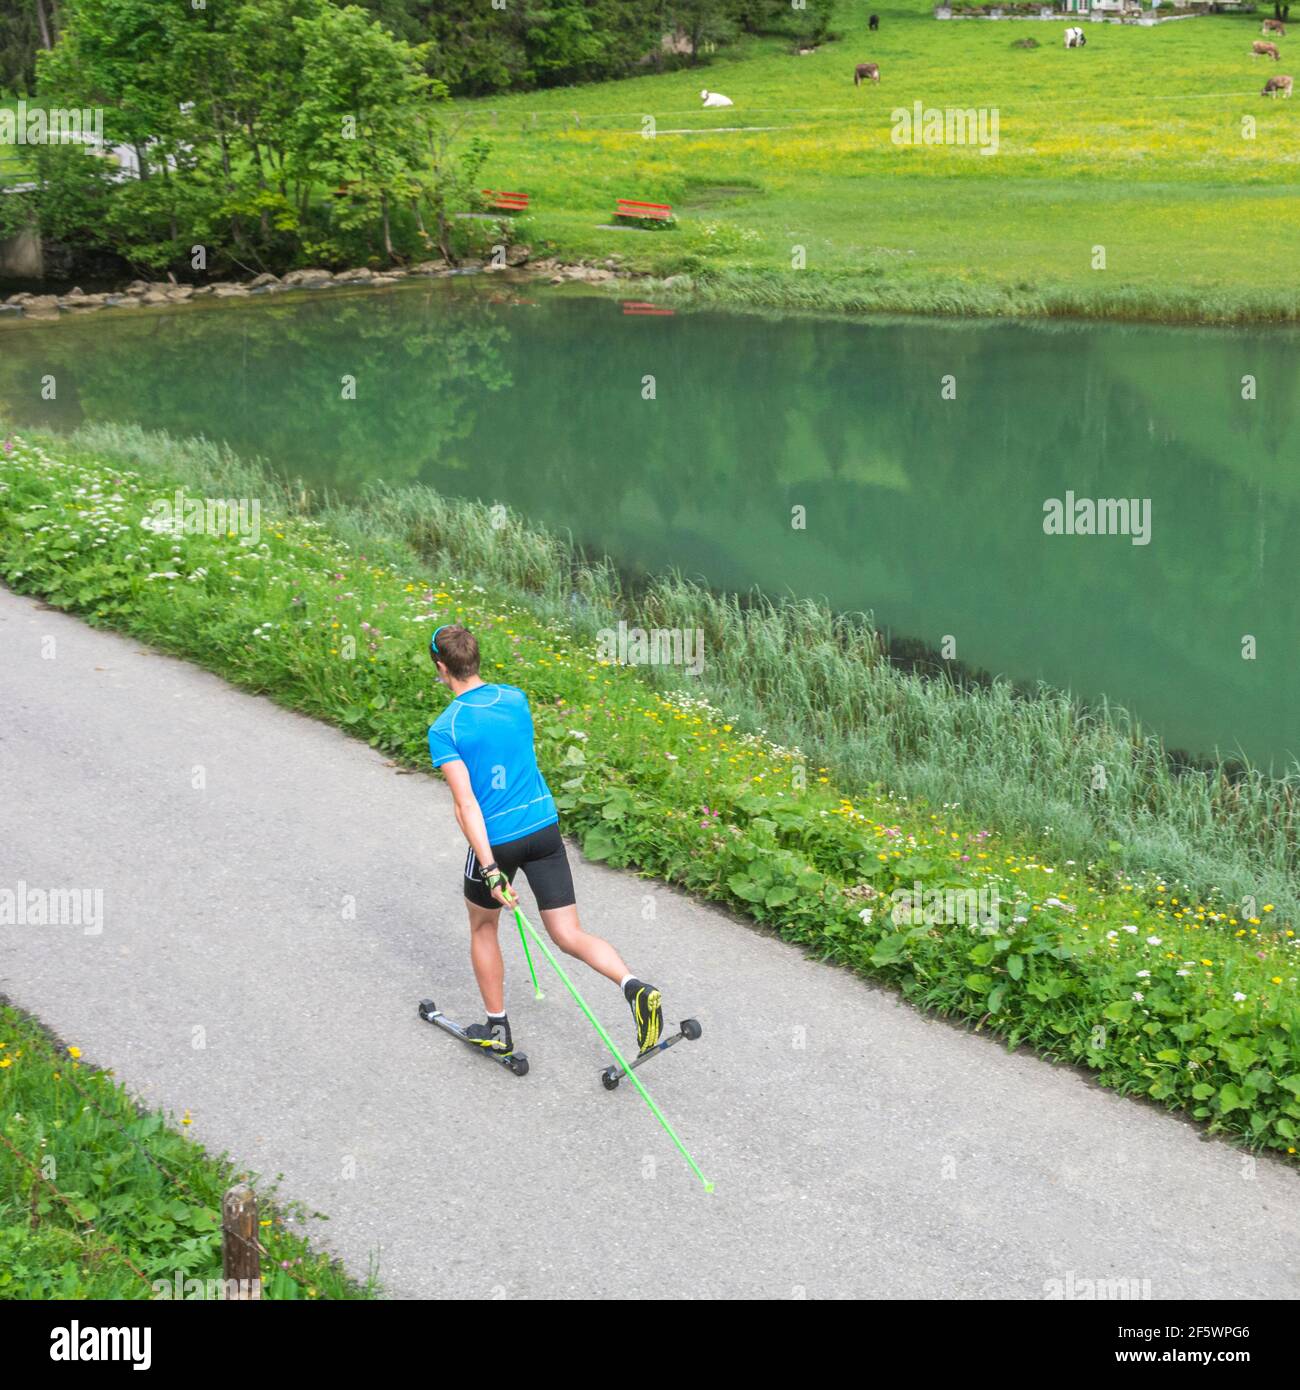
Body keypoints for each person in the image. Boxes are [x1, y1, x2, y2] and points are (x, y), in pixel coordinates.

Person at [426, 623, 664, 1059]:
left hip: (498, 840)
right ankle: (634, 987)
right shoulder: (515, 699)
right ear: (476, 659)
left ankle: (497, 1027)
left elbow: (466, 806)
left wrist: (491, 869)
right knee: (568, 932)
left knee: (483, 925)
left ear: (442, 668)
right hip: (543, 827)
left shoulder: (446, 729)